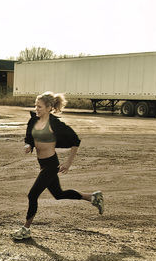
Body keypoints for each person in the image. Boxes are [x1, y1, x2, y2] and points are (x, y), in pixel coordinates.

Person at [14, 91, 103, 240]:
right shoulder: (33, 121)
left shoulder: (55, 124)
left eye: (40, 106)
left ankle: (26, 229)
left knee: (32, 195)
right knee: (59, 194)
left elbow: (76, 141)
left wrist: (68, 162)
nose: (37, 109)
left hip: (50, 164)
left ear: (49, 107)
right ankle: (93, 198)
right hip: (42, 164)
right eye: (36, 106)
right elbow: (29, 137)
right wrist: (28, 145)